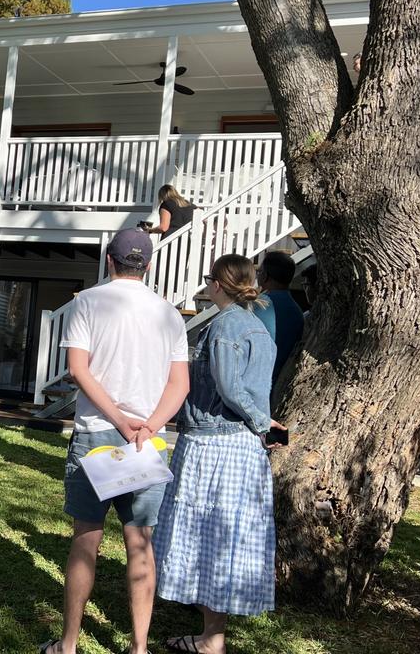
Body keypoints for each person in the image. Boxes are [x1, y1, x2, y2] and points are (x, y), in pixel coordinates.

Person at [39, 228, 190, 654]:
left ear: (109, 261)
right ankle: (139, 647)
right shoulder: (169, 314)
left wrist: (121, 422)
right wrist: (146, 426)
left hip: (96, 435)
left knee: (86, 538)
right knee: (140, 543)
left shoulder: (87, 302)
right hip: (149, 439)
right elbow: (180, 385)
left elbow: (78, 370)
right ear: (149, 265)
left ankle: (68, 645)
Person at [155, 254, 287, 654]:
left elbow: (229, 388)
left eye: (209, 278)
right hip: (240, 444)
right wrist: (264, 422)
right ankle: (212, 637)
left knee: (206, 533)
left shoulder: (227, 325)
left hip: (218, 442)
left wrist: (262, 423)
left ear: (217, 284)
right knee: (223, 539)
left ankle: (212, 638)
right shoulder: (258, 327)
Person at [252, 251, 304, 383]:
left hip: (256, 382)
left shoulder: (259, 305)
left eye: (260, 271)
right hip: (282, 381)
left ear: (266, 276)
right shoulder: (297, 310)